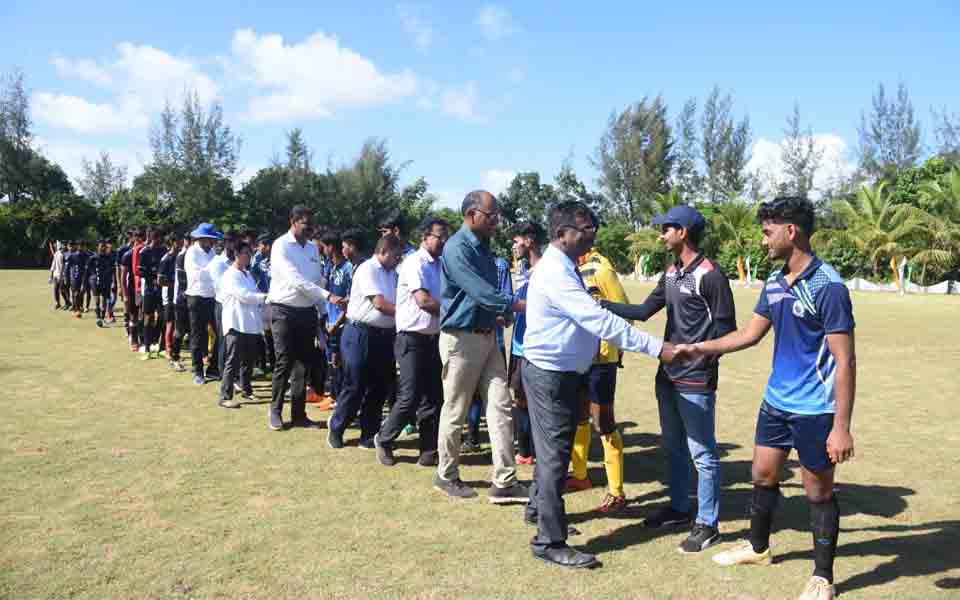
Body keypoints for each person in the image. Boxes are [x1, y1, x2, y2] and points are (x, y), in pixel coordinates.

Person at [677, 197, 856, 600]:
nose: (763, 241)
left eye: (767, 231)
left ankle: (822, 577)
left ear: (791, 231)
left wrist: (841, 427)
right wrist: (699, 347)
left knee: (818, 492)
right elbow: (748, 334)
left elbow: (846, 361)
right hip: (776, 402)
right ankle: (758, 548)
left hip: (815, 409)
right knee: (761, 474)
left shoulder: (829, 287)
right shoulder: (775, 282)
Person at [521, 200, 676, 569]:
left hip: (564, 373)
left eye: (592, 226)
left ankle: (537, 511)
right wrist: (658, 348)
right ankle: (549, 540)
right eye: (584, 228)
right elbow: (600, 321)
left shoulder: (565, 267)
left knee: (553, 451)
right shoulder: (556, 273)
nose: (592, 233)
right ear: (561, 234)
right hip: (550, 375)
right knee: (555, 456)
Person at [602, 205, 735, 551]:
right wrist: (600, 305)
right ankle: (678, 508)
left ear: (684, 232)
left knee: (702, 454)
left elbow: (727, 332)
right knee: (673, 448)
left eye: (667, 229)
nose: (661, 235)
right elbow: (644, 312)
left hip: (695, 380)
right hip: (667, 376)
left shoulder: (711, 275)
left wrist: (701, 362)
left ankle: (708, 524)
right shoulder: (672, 271)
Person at [434, 190, 527, 504]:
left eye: (497, 216)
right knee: (456, 409)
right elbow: (481, 292)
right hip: (461, 340)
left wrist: (501, 314)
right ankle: (446, 475)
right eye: (491, 216)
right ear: (471, 214)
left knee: (501, 405)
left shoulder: (485, 247)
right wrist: (518, 305)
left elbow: (490, 295)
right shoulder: (456, 248)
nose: (496, 222)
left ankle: (504, 481)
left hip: (488, 338)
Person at [560, 233, 636, 516]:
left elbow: (624, 311)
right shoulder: (570, 267)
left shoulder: (602, 268)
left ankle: (616, 492)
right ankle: (580, 476)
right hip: (577, 356)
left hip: (601, 359)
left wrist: (611, 347)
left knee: (603, 423)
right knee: (578, 417)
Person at [374, 217, 449, 467]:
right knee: (410, 396)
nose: (443, 242)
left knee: (433, 397)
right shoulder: (414, 263)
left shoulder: (440, 265)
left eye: (445, 237)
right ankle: (384, 439)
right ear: (425, 237)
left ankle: (427, 451)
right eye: (440, 236)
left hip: (433, 339)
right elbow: (424, 301)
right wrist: (453, 314)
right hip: (411, 339)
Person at [267, 206, 344, 431]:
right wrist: (328, 296)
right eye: (305, 223)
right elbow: (296, 280)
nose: (310, 228)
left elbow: (316, 281)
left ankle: (299, 415)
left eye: (311, 224)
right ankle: (275, 411)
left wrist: (321, 311)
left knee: (303, 365)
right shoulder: (280, 245)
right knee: (284, 361)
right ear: (293, 221)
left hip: (306, 312)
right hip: (283, 310)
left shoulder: (312, 248)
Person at [327, 235, 403, 449]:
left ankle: (369, 433)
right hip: (359, 334)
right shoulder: (367, 269)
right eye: (396, 255)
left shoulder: (393, 274)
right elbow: (379, 303)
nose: (398, 259)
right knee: (355, 384)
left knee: (379, 386)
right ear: (385, 250)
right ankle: (337, 427)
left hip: (384, 335)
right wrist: (406, 314)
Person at [463, 253, 513, 453]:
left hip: (479, 338)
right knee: (494, 398)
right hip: (492, 338)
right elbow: (507, 304)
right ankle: (480, 440)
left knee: (479, 395)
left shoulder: (468, 261)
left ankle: (474, 439)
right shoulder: (500, 264)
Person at [508, 222, 544, 466]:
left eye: (516, 240)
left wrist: (506, 302)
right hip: (518, 346)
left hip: (536, 348)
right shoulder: (523, 270)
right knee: (519, 399)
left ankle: (540, 452)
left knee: (538, 402)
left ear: (529, 241)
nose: (513, 245)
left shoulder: (545, 271)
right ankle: (525, 450)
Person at [218, 241, 268, 409]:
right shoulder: (230, 275)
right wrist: (264, 297)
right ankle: (225, 396)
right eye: (246, 253)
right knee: (232, 359)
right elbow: (244, 295)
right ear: (237, 255)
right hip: (235, 323)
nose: (249, 257)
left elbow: (253, 294)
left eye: (249, 253)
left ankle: (247, 389)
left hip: (250, 323)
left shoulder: (247, 274)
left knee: (249, 359)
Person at [185, 223, 222, 385]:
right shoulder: (191, 253)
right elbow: (197, 275)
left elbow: (216, 274)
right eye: (210, 239)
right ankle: (198, 371)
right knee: (197, 335)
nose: (212, 242)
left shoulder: (212, 252)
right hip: (196, 297)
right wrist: (212, 269)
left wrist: (212, 270)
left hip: (212, 297)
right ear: (202, 238)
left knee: (219, 333)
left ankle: (213, 368)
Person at [320, 230, 353, 403]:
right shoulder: (329, 267)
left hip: (342, 323)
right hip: (330, 321)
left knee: (340, 361)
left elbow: (351, 299)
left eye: (323, 247)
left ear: (331, 247)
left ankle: (342, 399)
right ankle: (333, 396)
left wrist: (338, 321)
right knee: (332, 360)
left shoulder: (348, 268)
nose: (322, 250)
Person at [209, 231, 238, 378]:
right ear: (226, 244)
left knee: (233, 339)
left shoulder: (237, 261)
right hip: (222, 304)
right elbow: (219, 286)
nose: (234, 246)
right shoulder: (218, 263)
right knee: (223, 338)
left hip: (235, 305)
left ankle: (231, 372)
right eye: (232, 242)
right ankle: (221, 372)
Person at [138, 229, 167, 359]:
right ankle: (147, 347)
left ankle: (161, 347)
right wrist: (152, 278)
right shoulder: (144, 252)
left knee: (162, 317)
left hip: (162, 290)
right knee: (148, 318)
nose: (158, 241)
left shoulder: (163, 251)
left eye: (159, 238)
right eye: (155, 238)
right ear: (151, 238)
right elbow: (140, 272)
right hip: (149, 289)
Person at [251, 233, 274, 374]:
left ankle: (273, 363)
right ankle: (263, 364)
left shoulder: (275, 258)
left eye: (261, 246)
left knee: (272, 334)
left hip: (274, 300)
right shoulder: (257, 260)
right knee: (264, 333)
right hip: (263, 301)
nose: (259, 249)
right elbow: (253, 274)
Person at [169, 233, 191, 372]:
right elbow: (183, 281)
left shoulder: (195, 256)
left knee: (194, 331)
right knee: (180, 330)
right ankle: (174, 358)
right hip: (181, 299)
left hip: (193, 298)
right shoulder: (182, 256)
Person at [159, 234, 182, 361]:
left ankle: (174, 347)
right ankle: (168, 349)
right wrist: (174, 283)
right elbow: (160, 281)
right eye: (178, 242)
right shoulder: (166, 259)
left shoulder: (181, 257)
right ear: (173, 242)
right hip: (168, 296)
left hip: (178, 296)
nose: (180, 244)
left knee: (179, 324)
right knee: (170, 323)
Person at [88, 240, 116, 327]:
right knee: (97, 300)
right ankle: (98, 317)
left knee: (104, 301)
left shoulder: (110, 258)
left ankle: (102, 318)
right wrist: (92, 278)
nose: (103, 248)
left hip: (106, 282)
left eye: (104, 246)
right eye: (101, 246)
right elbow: (88, 270)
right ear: (97, 247)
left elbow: (113, 270)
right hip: (96, 281)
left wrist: (113, 282)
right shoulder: (93, 258)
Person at [65, 240, 87, 319]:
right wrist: (66, 278)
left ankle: (79, 306)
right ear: (78, 246)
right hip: (74, 277)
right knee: (76, 293)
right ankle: (77, 309)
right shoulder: (72, 256)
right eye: (80, 245)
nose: (82, 247)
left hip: (84, 277)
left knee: (82, 292)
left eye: (83, 245)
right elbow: (67, 268)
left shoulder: (87, 256)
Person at [50, 241, 65, 310]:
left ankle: (68, 302)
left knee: (62, 290)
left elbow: (62, 267)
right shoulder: (56, 254)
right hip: (56, 275)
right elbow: (53, 265)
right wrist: (51, 275)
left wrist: (61, 276)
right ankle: (57, 303)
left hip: (61, 275)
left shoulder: (62, 255)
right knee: (55, 289)